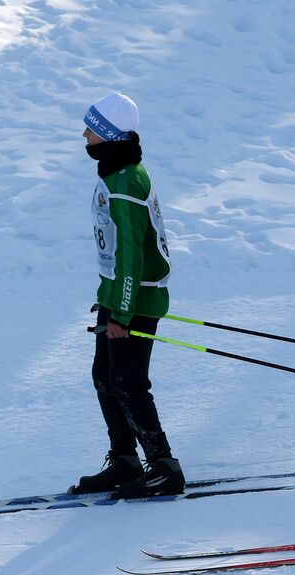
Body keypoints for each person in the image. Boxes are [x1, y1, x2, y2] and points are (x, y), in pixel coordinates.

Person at [69, 92, 184, 498]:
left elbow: (132, 254)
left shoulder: (124, 181)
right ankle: (124, 459)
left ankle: (164, 466)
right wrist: (110, 300)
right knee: (105, 377)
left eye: (91, 128)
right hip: (119, 296)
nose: (84, 134)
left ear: (107, 133)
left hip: (135, 300)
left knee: (128, 382)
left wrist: (121, 311)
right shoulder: (118, 173)